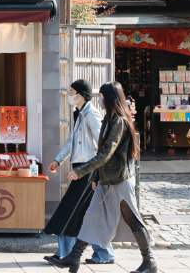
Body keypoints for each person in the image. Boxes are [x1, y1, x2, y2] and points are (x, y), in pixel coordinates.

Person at [54, 81, 155, 273]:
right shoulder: (109, 119)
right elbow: (103, 152)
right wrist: (96, 178)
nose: (99, 100)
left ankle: (149, 262)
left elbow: (105, 154)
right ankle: (74, 257)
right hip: (106, 179)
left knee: (132, 219)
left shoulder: (119, 122)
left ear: (110, 98)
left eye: (101, 96)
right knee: (91, 217)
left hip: (120, 180)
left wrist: (81, 171)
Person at [44, 80, 115, 266]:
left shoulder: (91, 113)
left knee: (70, 210)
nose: (69, 94)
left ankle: (65, 253)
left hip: (88, 170)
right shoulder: (78, 114)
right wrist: (58, 160)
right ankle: (103, 254)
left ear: (81, 94)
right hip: (81, 168)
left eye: (72, 91)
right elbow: (71, 141)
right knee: (85, 213)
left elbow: (102, 144)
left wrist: (96, 173)